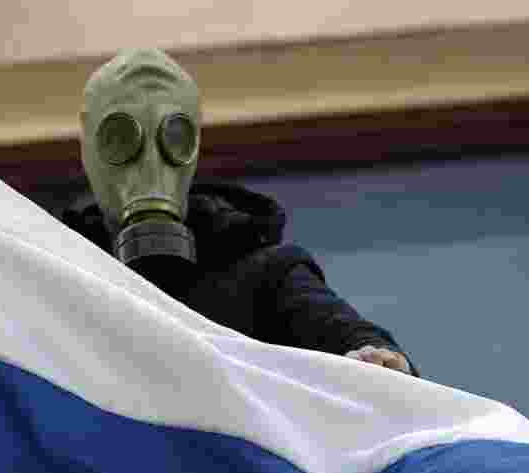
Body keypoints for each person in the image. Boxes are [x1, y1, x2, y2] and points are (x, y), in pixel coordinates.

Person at [61, 48, 415, 375]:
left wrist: (378, 359)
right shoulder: (51, 274)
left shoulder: (267, 275)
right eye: (120, 139)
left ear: (193, 148)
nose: (150, 165)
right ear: (87, 148)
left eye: (173, 139)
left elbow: (347, 335)